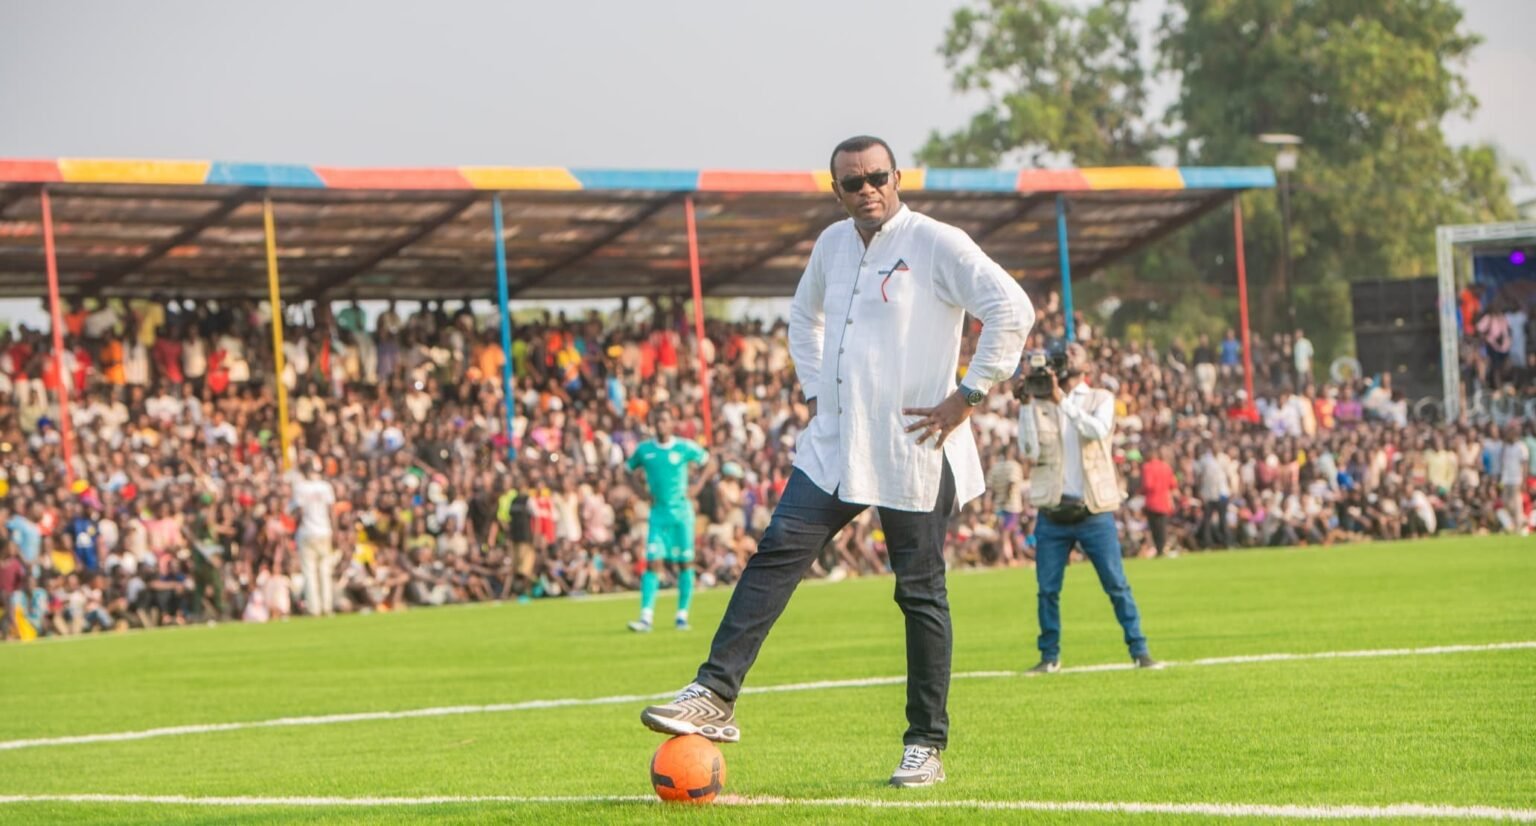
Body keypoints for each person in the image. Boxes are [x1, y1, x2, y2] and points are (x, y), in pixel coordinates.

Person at [639, 135, 1033, 789]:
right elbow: (803, 315)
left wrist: (970, 393)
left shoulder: (936, 242)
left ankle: (925, 744)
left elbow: (1010, 308)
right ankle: (714, 694)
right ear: (837, 191)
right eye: (853, 182)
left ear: (897, 177)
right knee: (777, 553)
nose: (868, 188)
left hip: (915, 443)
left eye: (878, 176)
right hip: (838, 441)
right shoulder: (832, 245)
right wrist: (820, 391)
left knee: (919, 593)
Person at [1017, 341, 1160, 674]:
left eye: (1074, 351)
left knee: (1116, 584)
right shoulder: (1038, 401)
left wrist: (1060, 400)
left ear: (1088, 366)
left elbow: (1095, 430)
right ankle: (1049, 656)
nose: (1066, 355)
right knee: (1047, 590)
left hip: (1093, 510)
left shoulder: (1101, 398)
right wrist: (1026, 404)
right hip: (1053, 511)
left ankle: (1140, 649)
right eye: (1062, 353)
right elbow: (1028, 449)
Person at [625, 408, 712, 632]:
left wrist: (698, 485)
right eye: (657, 420)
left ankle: (682, 616)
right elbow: (626, 470)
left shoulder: (684, 447)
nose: (661, 424)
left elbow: (709, 462)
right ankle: (646, 617)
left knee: (685, 563)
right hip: (658, 515)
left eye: (665, 420)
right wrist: (641, 493)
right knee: (653, 562)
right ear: (653, 423)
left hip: (682, 514)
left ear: (672, 423)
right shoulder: (645, 450)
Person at [289, 456, 338, 616]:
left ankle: (314, 608)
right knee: (325, 571)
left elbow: (300, 512)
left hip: (307, 532)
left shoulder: (300, 487)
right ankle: (327, 607)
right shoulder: (325, 486)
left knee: (309, 572)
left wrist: (295, 531)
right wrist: (335, 531)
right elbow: (332, 511)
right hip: (325, 531)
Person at [1139, 444, 1178, 557]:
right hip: (1164, 501)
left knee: (1154, 527)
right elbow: (1173, 484)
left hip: (1152, 501)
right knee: (1162, 527)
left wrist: (1140, 491)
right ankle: (1162, 548)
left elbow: (1148, 485)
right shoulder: (1166, 467)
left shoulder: (1147, 467)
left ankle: (1159, 549)